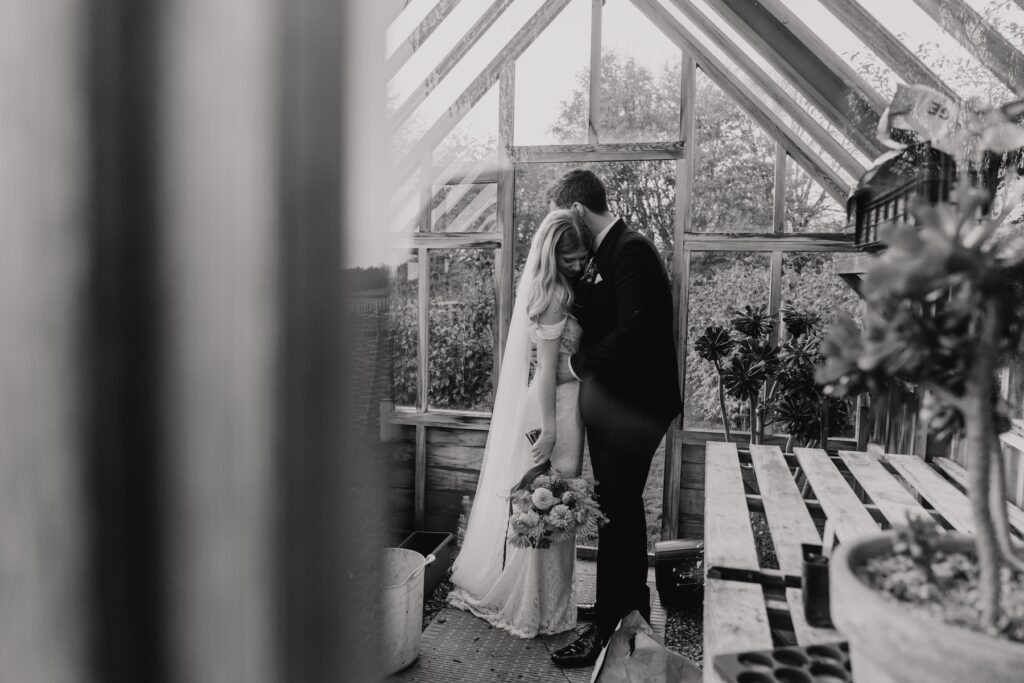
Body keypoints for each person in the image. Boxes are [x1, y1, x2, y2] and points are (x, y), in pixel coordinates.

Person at [546, 169, 682, 668]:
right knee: (618, 514)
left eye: (565, 216)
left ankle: (608, 622)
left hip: (635, 412)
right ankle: (629, 616)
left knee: (616, 511)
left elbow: (636, 332)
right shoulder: (606, 254)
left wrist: (576, 365)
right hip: (616, 412)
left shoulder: (632, 251)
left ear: (578, 210)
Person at [447, 209, 593, 638]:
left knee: (562, 505)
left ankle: (553, 605)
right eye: (572, 259)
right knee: (551, 504)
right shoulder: (551, 296)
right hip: (553, 409)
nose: (579, 265)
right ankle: (538, 608)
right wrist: (548, 430)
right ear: (553, 255)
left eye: (583, 258)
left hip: (567, 405)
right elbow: (546, 370)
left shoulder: (563, 288)